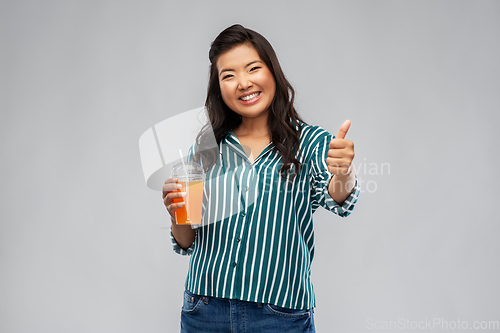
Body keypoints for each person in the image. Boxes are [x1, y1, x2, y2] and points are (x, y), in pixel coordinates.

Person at [162, 24, 360, 333]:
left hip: (278, 313)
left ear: (272, 72)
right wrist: (177, 214)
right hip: (205, 310)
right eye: (228, 75)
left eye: (253, 68)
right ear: (218, 87)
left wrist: (343, 171)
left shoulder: (309, 143)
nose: (242, 83)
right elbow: (187, 240)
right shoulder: (206, 148)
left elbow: (338, 198)